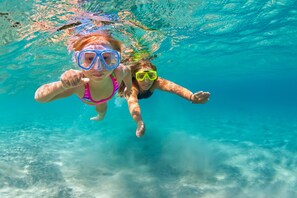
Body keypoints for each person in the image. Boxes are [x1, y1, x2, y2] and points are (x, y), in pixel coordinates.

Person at [35, 32, 132, 120]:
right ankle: (100, 116)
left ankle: (100, 116)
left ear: (114, 58)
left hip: (104, 99)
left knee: (102, 107)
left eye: (105, 57)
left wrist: (129, 87)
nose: (98, 67)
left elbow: (127, 72)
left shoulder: (118, 71)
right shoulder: (79, 83)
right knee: (100, 105)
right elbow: (40, 98)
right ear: (79, 60)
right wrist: (63, 84)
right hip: (91, 99)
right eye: (90, 58)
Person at [118, 59, 210, 138]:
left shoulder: (156, 82)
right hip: (122, 91)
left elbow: (175, 88)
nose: (147, 80)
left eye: (151, 75)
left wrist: (191, 97)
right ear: (135, 76)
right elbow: (133, 104)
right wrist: (139, 121)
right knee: (120, 97)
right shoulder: (132, 87)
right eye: (141, 76)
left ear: (155, 76)